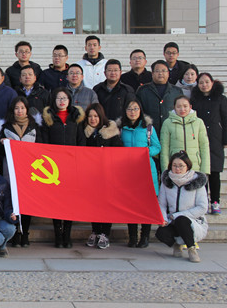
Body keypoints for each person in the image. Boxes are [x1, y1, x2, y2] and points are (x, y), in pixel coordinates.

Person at [42, 87, 85, 248]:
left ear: (69, 100)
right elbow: (45, 143)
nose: (62, 101)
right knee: (56, 202)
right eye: (59, 98)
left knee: (69, 202)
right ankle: (58, 235)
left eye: (64, 98)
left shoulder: (76, 118)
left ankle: (67, 234)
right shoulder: (49, 119)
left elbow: (81, 141)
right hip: (55, 167)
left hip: (72, 166)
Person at [0, 96, 42, 248]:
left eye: (22, 108)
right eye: (17, 108)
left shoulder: (34, 127)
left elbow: (41, 148)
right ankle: (15, 232)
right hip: (11, 170)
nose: (19, 111)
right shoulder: (6, 127)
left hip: (30, 171)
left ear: (27, 110)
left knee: (26, 202)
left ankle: (25, 233)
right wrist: (2, 143)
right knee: (13, 201)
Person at [118, 98, 161, 248]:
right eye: (129, 109)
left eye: (135, 108)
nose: (133, 112)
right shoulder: (121, 128)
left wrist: (145, 152)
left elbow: (157, 146)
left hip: (146, 169)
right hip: (128, 170)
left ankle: (145, 236)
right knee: (131, 204)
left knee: (146, 205)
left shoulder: (148, 128)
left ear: (140, 110)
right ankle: (132, 236)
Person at [156, 151, 208, 263]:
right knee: (161, 233)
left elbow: (202, 207)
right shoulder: (167, 181)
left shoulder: (196, 182)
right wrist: (164, 218)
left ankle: (191, 248)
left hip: (193, 221)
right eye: (174, 165)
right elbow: (162, 204)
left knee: (181, 220)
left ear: (187, 166)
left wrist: (177, 215)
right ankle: (177, 244)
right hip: (172, 220)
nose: (177, 169)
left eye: (181, 166)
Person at [83, 103, 123, 249]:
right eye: (90, 116)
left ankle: (104, 233)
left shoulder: (110, 131)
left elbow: (118, 152)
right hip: (91, 175)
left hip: (107, 175)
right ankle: (95, 231)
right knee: (93, 205)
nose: (93, 119)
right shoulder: (86, 133)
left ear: (101, 116)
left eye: (95, 116)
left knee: (106, 205)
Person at [191, 73, 227, 215]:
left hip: (215, 139)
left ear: (212, 83)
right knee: (201, 172)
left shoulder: (221, 99)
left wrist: (226, 139)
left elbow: (226, 119)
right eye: (201, 82)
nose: (204, 85)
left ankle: (215, 202)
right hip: (199, 139)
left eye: (207, 82)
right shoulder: (194, 99)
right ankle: (202, 203)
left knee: (214, 172)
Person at [160, 95, 210, 175]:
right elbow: (164, 148)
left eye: (185, 106)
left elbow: (204, 146)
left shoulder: (199, 122)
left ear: (190, 107)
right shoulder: (167, 123)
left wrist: (205, 170)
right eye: (179, 107)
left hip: (195, 167)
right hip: (175, 168)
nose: (182, 109)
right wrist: (165, 170)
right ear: (174, 107)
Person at [136, 60, 183, 134]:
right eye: (157, 71)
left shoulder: (177, 91)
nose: (160, 73)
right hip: (148, 131)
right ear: (152, 73)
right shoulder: (142, 90)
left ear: (168, 73)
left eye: (163, 71)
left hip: (171, 131)